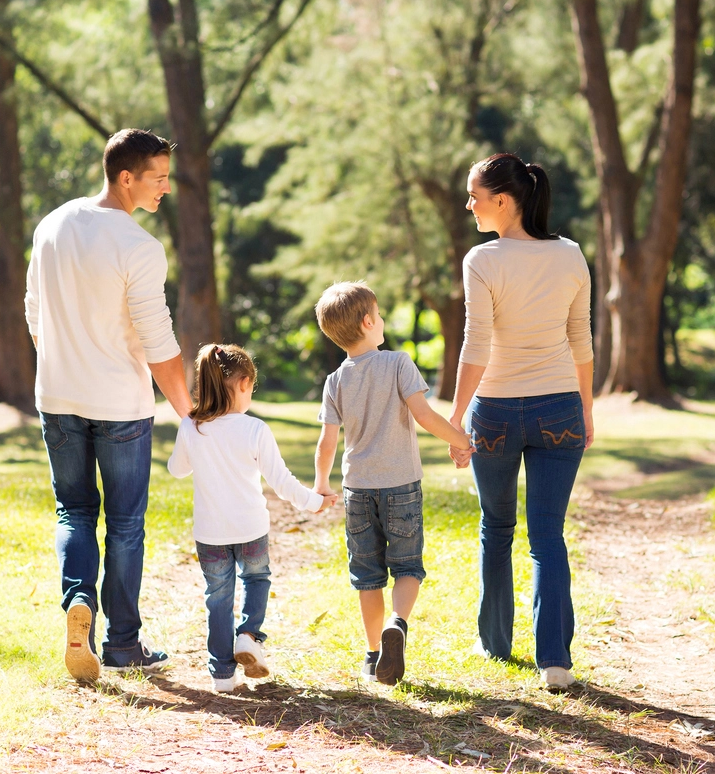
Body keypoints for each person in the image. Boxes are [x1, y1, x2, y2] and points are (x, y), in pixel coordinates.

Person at [25, 129, 193, 683]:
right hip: (120, 404)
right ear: (127, 177)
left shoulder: (51, 225)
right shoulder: (139, 246)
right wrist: (189, 413)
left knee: (74, 512)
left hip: (57, 396)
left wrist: (59, 362)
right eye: (158, 177)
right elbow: (158, 341)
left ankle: (80, 606)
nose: (166, 187)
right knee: (124, 524)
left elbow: (33, 311)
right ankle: (122, 645)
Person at [446, 152, 594, 691]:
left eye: (475, 196)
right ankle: (555, 661)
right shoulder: (572, 255)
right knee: (547, 534)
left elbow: (476, 344)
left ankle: (495, 644)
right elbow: (581, 337)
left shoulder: (483, 260)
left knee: (496, 528)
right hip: (560, 409)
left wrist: (456, 416)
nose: (469, 205)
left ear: (503, 200)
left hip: (499, 412)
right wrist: (587, 406)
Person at [313, 282, 474, 685]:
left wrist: (321, 483)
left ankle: (372, 656)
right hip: (401, 486)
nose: (382, 320)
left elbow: (327, 440)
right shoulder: (399, 363)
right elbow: (424, 415)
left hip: (357, 491)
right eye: (380, 314)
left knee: (367, 576)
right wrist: (462, 441)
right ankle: (397, 625)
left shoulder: (335, 380)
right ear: (368, 322)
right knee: (407, 566)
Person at [168, 344, 338, 692]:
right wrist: (313, 503)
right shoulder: (255, 429)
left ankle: (222, 675)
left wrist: (191, 438)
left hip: (210, 533)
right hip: (251, 529)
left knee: (217, 596)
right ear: (244, 383)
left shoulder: (192, 427)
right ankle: (247, 635)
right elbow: (282, 481)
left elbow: (176, 470)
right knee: (257, 578)